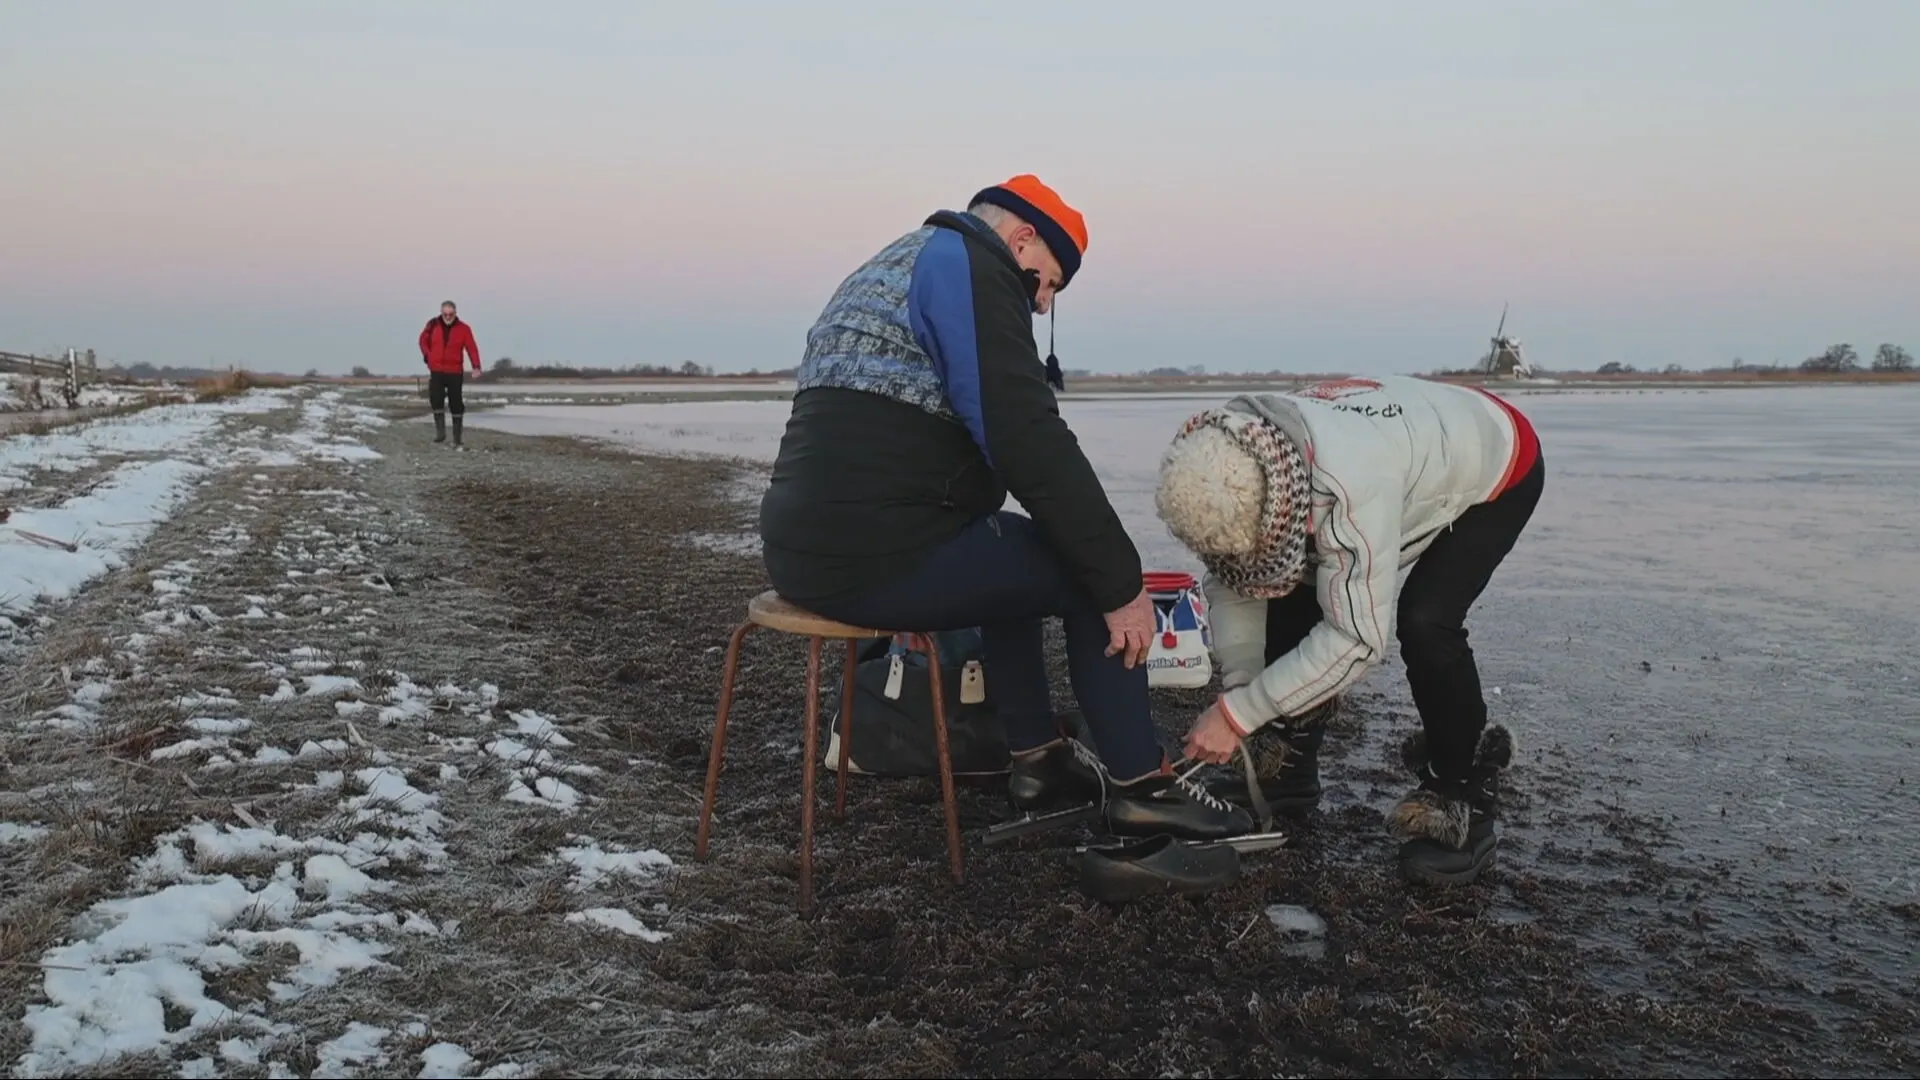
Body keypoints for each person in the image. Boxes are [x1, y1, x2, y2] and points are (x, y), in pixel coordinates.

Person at [758, 174, 1253, 842]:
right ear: (1020, 239)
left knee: (1014, 553)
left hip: (800, 550)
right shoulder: (968, 265)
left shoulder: (896, 263)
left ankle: (1038, 762)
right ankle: (1144, 785)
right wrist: (1121, 581)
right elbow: (1024, 433)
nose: (1043, 305)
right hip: (877, 557)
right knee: (1089, 570)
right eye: (1044, 282)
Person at [1152, 374, 1544, 885]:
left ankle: (1464, 800)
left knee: (1427, 621)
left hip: (1498, 459)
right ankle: (1290, 770)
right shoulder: (1225, 448)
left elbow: (1357, 640)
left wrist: (1237, 716)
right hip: (1402, 439)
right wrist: (1242, 689)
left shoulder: (1350, 492)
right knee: (1285, 578)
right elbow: (1236, 577)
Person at [419, 300, 482, 446]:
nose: (447, 317)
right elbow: (423, 340)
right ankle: (440, 433)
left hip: (454, 370)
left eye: (450, 314)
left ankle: (457, 438)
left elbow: (471, 347)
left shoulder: (464, 328)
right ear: (441, 313)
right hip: (436, 369)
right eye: (445, 314)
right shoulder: (432, 324)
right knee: (436, 398)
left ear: (455, 313)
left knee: (456, 402)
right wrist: (428, 355)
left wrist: (476, 366)